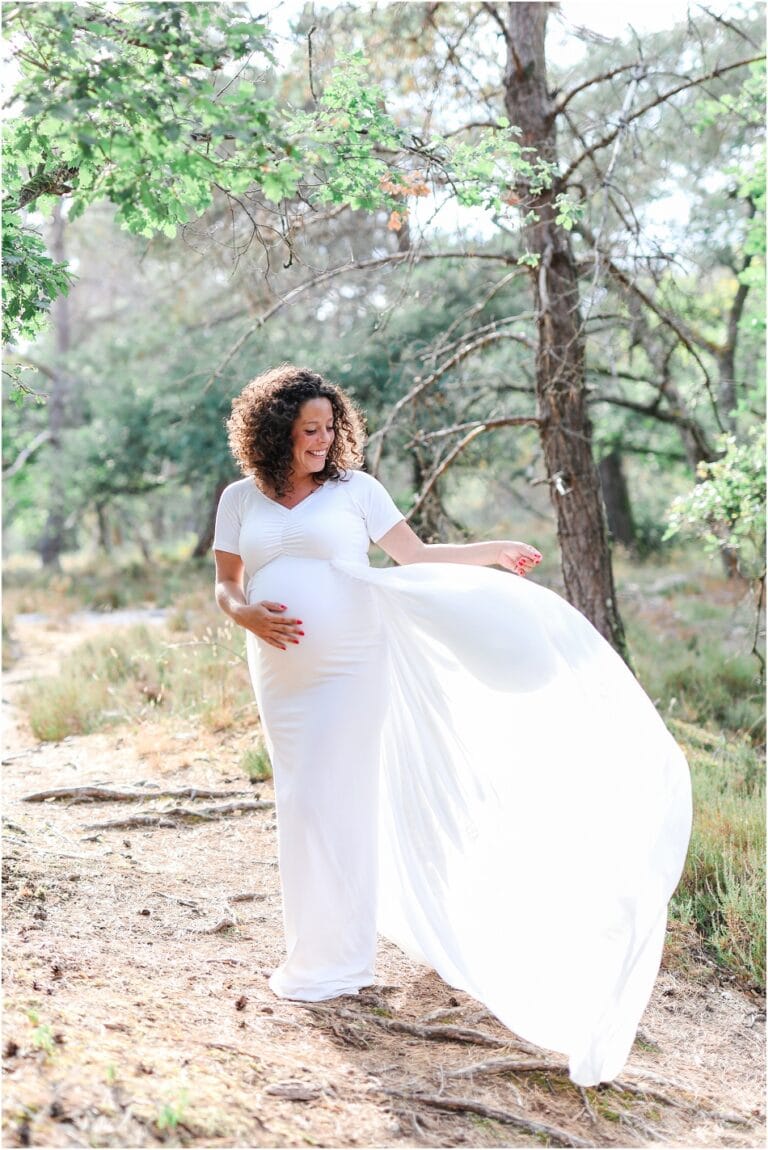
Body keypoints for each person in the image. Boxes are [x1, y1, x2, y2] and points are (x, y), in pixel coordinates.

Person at [213, 363, 692, 1088]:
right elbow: (225, 581)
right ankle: (312, 952)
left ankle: (340, 963)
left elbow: (416, 555)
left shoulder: (357, 492)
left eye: (329, 427)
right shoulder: (240, 499)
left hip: (353, 663)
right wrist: (243, 611)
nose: (322, 440)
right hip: (279, 670)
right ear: (274, 431)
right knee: (300, 800)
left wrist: (490, 553)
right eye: (308, 430)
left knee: (341, 799)